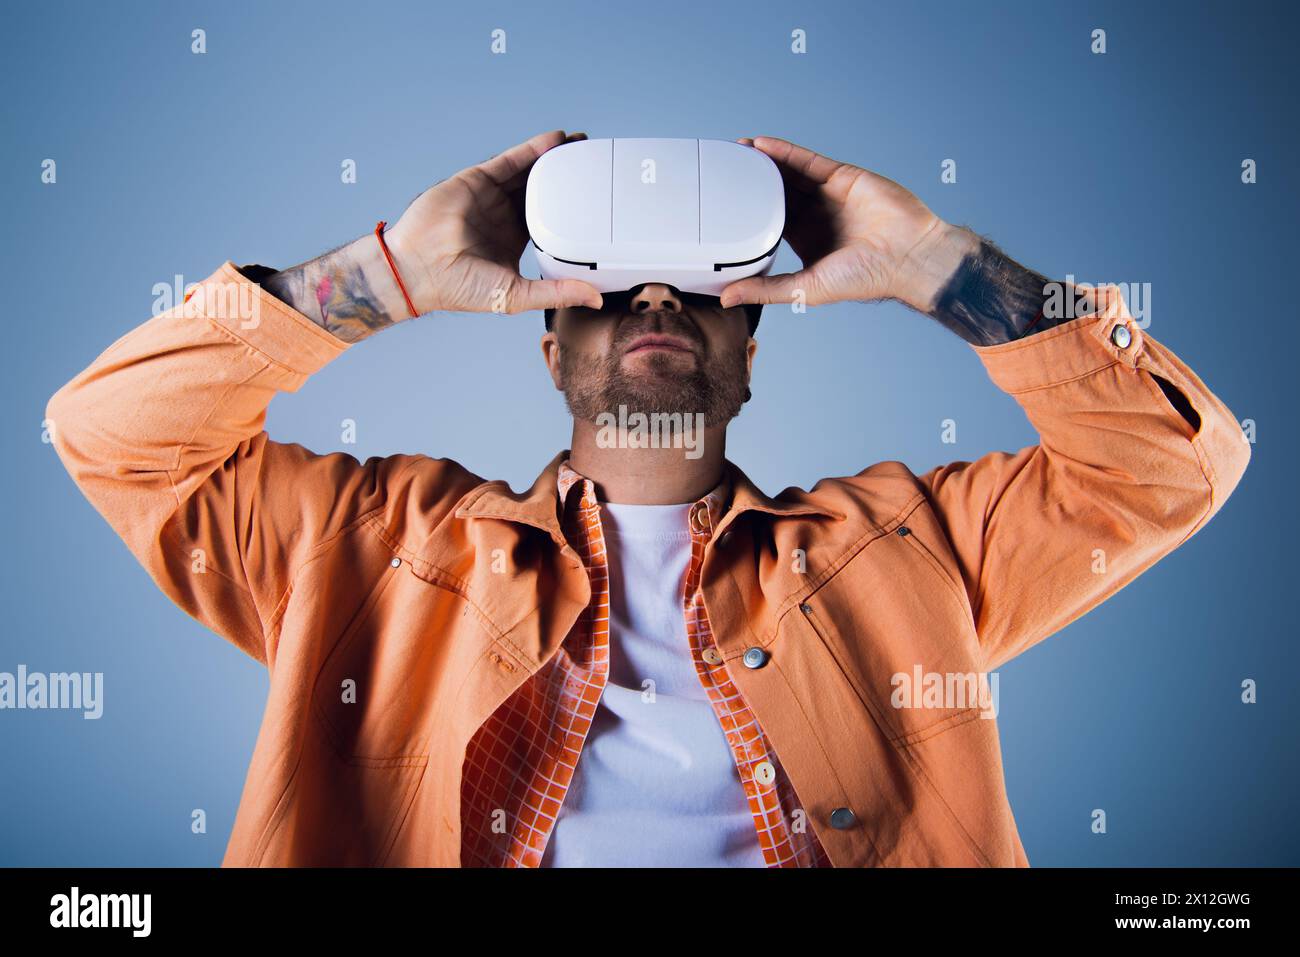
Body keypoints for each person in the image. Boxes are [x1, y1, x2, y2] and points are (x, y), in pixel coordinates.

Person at [46, 129, 1250, 867]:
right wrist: (384, 275)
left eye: (694, 289)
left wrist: (942, 267)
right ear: (546, 341)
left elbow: (1174, 465)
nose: (656, 306)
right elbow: (109, 435)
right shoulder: (367, 547)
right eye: (611, 286)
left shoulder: (907, 551)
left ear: (752, 344)